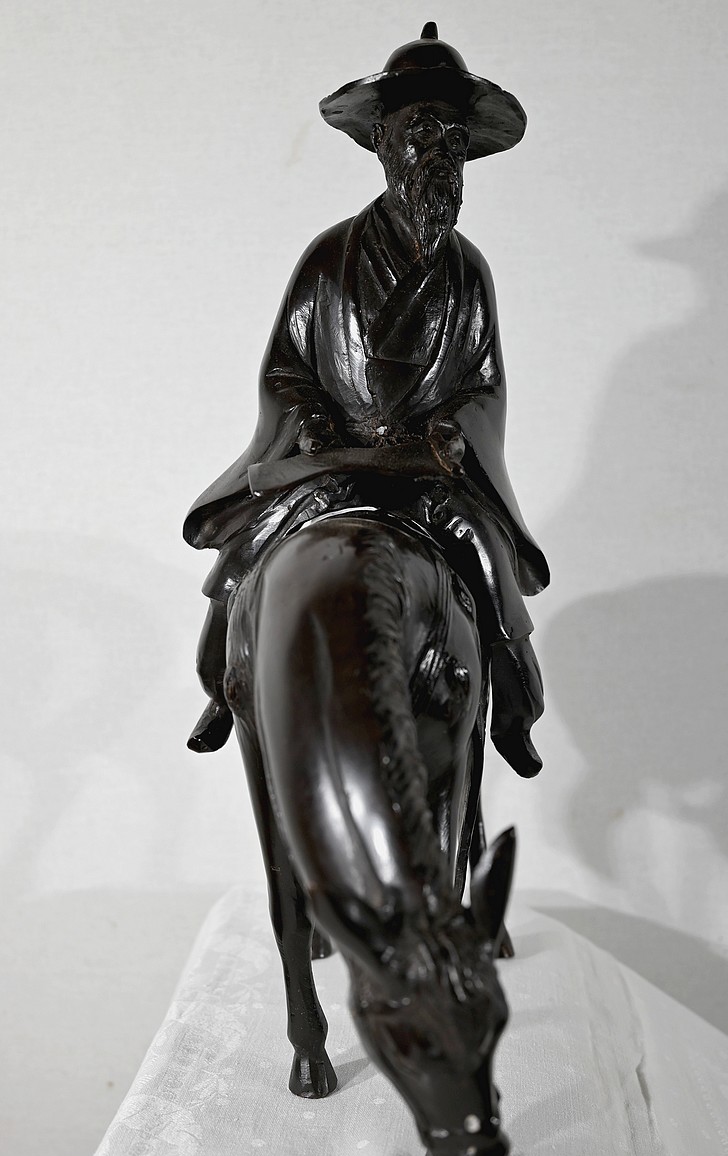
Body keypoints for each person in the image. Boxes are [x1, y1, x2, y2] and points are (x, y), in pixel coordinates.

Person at [184, 24, 549, 777]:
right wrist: (313, 422)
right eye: (422, 133)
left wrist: (452, 432)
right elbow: (285, 369)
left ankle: (515, 701)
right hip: (333, 462)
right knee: (249, 549)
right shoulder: (330, 256)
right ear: (382, 141)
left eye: (454, 140)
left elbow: (484, 383)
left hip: (427, 472)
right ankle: (225, 681)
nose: (439, 154)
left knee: (485, 557)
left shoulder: (467, 273)